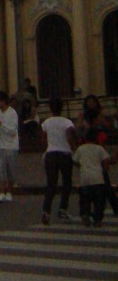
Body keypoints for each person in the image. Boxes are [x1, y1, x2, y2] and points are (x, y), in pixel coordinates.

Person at [40, 96, 76, 224]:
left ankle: (46, 210)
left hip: (51, 154)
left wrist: (45, 151)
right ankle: (62, 209)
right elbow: (70, 137)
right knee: (67, 182)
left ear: (50, 108)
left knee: (51, 184)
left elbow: (43, 140)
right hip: (65, 154)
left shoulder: (46, 123)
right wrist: (74, 149)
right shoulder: (67, 122)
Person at [74, 127, 117, 227]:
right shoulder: (99, 149)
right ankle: (97, 220)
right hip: (98, 178)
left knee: (85, 199)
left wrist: (82, 166)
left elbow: (75, 161)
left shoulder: (81, 149)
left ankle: (85, 214)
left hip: (85, 178)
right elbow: (106, 162)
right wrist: (106, 167)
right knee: (99, 201)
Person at [0, 90, 19, 201]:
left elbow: (13, 131)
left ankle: (9, 191)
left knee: (10, 170)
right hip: (0, 145)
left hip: (11, 145)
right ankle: (2, 191)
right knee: (0, 169)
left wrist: (1, 125)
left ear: (3, 101)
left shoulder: (12, 113)